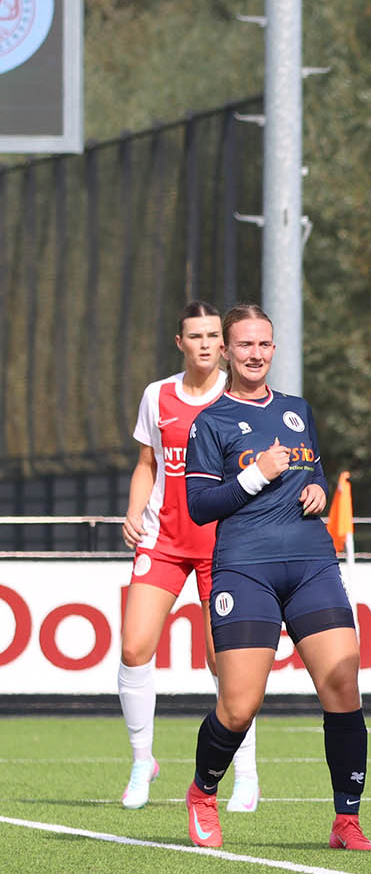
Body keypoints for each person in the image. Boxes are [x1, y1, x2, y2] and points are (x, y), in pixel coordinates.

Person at [180, 306, 371, 851]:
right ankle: (202, 793)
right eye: (244, 345)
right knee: (240, 705)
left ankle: (347, 819)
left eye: (264, 344)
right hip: (246, 570)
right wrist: (255, 474)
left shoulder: (297, 409)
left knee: (343, 685)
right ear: (226, 351)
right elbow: (199, 506)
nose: (255, 354)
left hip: (312, 564)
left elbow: (312, 471)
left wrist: (318, 489)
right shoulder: (210, 422)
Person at [116, 302, 261, 811]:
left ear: (224, 343)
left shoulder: (239, 397)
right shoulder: (157, 395)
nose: (205, 344)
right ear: (180, 343)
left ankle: (246, 773)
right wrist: (133, 511)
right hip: (164, 540)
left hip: (222, 545)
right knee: (134, 647)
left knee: (225, 663)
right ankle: (142, 761)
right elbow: (147, 464)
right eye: (195, 336)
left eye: (213, 335)